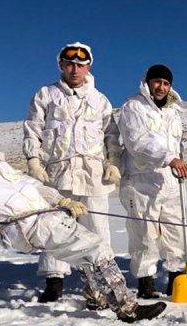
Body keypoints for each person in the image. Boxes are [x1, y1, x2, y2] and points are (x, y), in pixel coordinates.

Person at [0, 102, 165, 323]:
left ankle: (98, 299)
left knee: (84, 253)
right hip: (24, 223)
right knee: (97, 248)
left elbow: (28, 183)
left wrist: (60, 199)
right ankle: (128, 309)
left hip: (40, 215)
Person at [23, 42, 122, 304]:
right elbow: (33, 128)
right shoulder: (46, 94)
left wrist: (113, 162)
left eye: (80, 64)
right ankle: (54, 281)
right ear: (61, 65)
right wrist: (34, 160)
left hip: (93, 176)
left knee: (97, 229)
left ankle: (99, 282)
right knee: (55, 226)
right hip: (57, 174)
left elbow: (111, 135)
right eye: (69, 64)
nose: (74, 69)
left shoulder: (100, 100)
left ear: (88, 66)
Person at [115, 64, 187, 299]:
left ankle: (176, 278)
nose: (161, 87)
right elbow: (138, 143)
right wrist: (170, 158)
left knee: (175, 230)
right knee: (144, 233)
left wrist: (178, 159)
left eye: (166, 83)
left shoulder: (173, 111)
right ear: (147, 82)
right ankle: (146, 281)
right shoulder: (133, 107)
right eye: (157, 81)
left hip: (170, 180)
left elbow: (177, 143)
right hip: (140, 181)